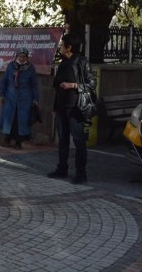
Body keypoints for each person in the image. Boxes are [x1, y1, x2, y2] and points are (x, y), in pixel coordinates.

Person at [48, 32, 97, 184]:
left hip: (76, 108)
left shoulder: (82, 62)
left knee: (78, 141)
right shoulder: (62, 63)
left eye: (62, 45)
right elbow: (57, 87)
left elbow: (91, 83)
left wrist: (73, 85)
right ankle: (62, 168)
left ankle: (81, 174)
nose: (60, 47)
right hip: (62, 107)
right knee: (62, 140)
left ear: (69, 47)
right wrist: (55, 108)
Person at [0, 48, 39, 149]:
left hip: (24, 99)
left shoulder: (30, 68)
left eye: (24, 56)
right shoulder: (11, 66)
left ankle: (18, 142)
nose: (21, 58)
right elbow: (4, 81)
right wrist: (1, 94)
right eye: (20, 56)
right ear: (16, 56)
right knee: (9, 119)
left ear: (26, 57)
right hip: (10, 97)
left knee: (20, 121)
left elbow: (34, 85)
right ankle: (7, 139)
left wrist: (35, 99)